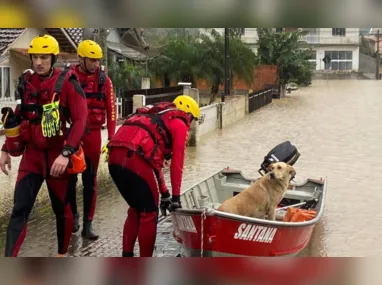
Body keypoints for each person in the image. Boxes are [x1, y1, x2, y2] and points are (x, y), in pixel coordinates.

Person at [0, 34, 88, 257]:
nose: (38, 62)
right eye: (35, 57)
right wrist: (5, 149)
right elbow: (21, 114)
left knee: (62, 210)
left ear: (53, 57)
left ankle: (61, 255)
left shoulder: (68, 82)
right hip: (32, 157)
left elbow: (80, 119)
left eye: (44, 57)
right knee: (19, 209)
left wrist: (67, 153)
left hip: (58, 156)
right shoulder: (27, 82)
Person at [106, 95, 201, 257]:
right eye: (193, 120)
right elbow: (177, 164)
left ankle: (126, 257)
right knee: (149, 213)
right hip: (134, 159)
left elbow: (154, 161)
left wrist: (165, 193)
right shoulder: (179, 122)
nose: (191, 125)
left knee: (136, 208)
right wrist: (176, 198)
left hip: (113, 157)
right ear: (188, 114)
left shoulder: (155, 116)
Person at [66, 39, 116, 240]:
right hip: (72, 134)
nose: (96, 63)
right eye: (92, 60)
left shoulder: (104, 80)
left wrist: (112, 139)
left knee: (90, 181)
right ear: (81, 58)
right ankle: (74, 217)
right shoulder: (69, 77)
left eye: (97, 60)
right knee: (69, 179)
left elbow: (111, 111)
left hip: (94, 134)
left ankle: (88, 223)